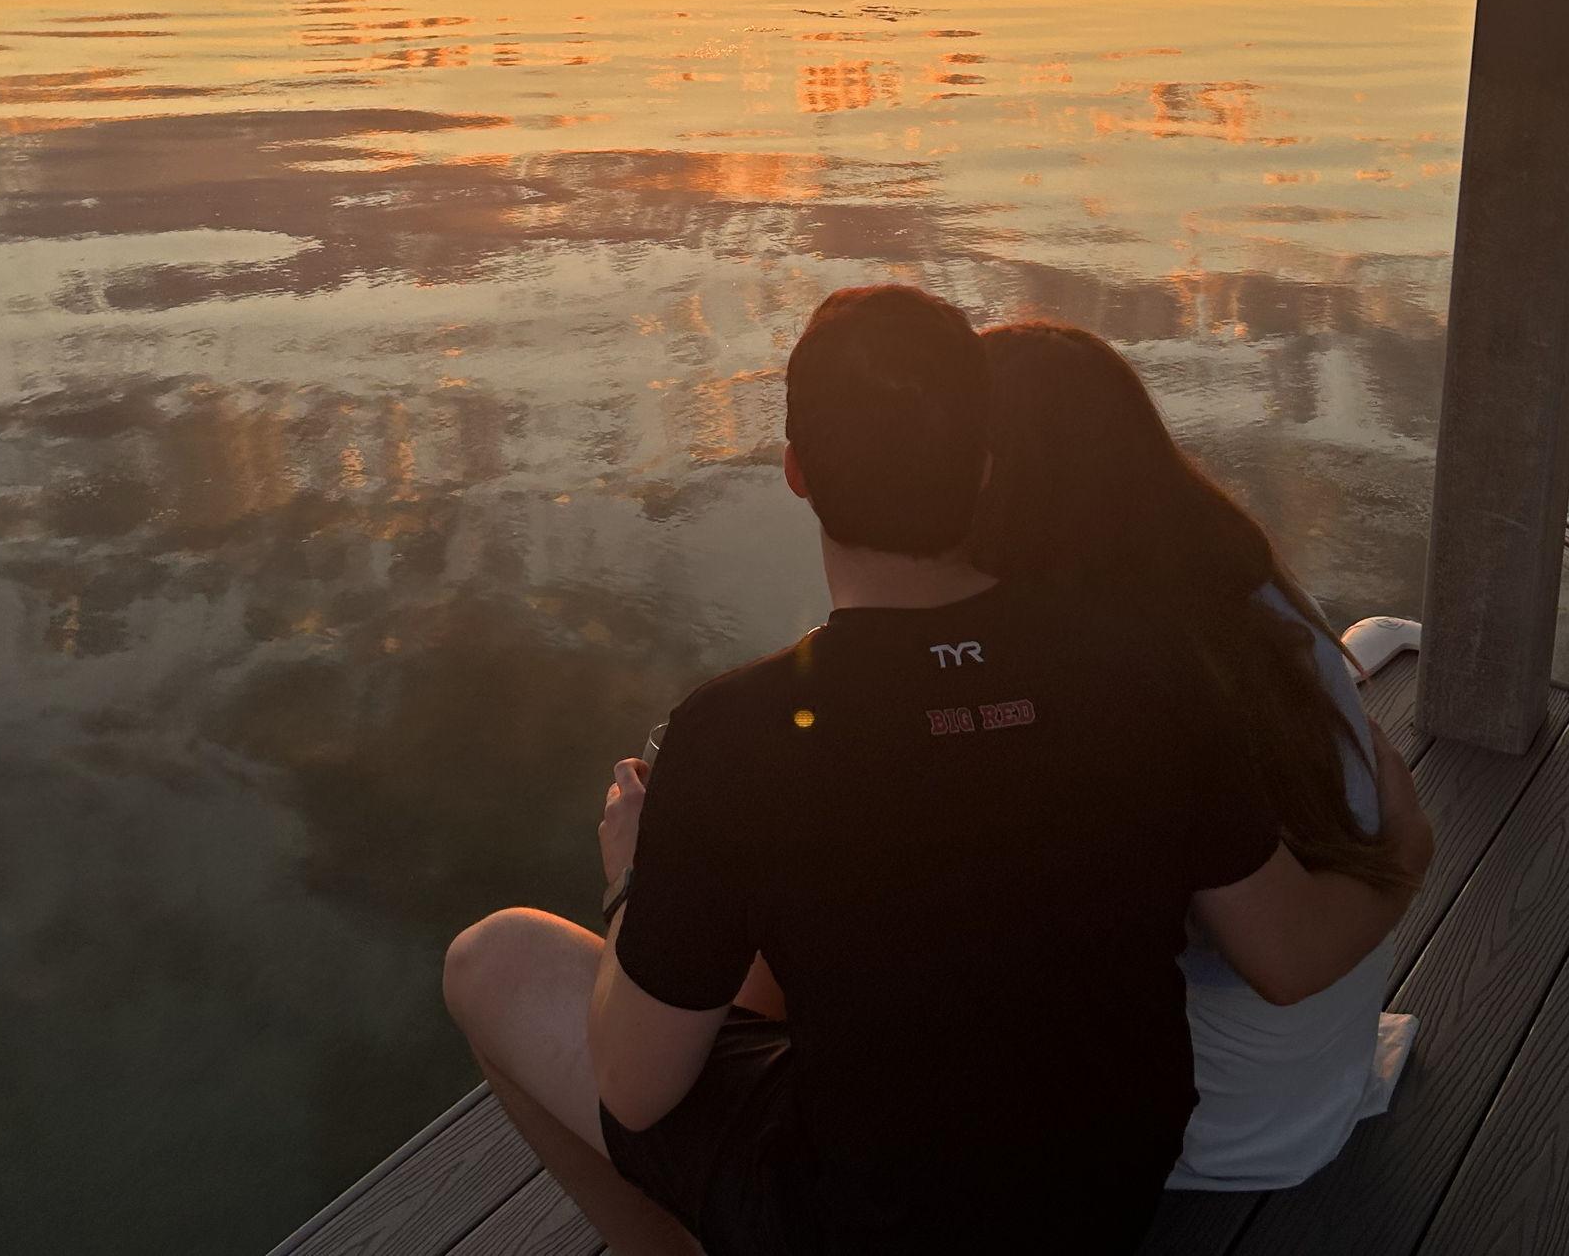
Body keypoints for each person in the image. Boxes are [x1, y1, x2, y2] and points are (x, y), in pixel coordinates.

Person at [443, 284, 1433, 1255]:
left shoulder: (734, 730)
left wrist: (633, 880)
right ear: (982, 466)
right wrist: (1400, 856)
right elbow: (1286, 949)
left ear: (792, 470)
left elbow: (632, 1089)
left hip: (866, 1220)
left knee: (493, 957)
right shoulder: (1152, 677)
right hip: (1109, 1196)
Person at [969, 319, 1422, 1190]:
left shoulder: (1116, 674)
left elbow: (1281, 959)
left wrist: (1411, 856)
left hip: (1216, 1124)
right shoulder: (1245, 587)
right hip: (1312, 1082)